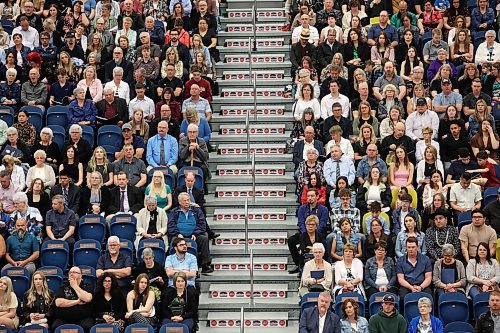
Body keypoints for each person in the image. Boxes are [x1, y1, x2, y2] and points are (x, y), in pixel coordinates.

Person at [168, 192, 212, 273]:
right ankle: (173, 266)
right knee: (173, 241)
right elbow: (171, 225)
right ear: (180, 202)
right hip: (179, 236)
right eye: (184, 201)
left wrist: (195, 233)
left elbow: (202, 224)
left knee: (204, 238)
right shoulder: (174, 212)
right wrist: (178, 234)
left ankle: (205, 265)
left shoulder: (197, 210)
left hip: (194, 235)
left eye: (188, 200)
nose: (187, 202)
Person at [52, 266, 94, 332]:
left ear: (81, 276)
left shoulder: (87, 286)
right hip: (64, 318)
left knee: (87, 327)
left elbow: (87, 298)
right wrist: (77, 301)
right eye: (70, 272)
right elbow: (58, 302)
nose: (71, 274)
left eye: (74, 272)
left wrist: (75, 286)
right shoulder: (63, 287)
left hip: (83, 318)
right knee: (55, 327)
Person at [396, 236, 433, 301]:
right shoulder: (400, 260)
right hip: (407, 286)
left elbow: (428, 277)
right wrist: (411, 287)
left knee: (428, 296)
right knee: (402, 297)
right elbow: (400, 279)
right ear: (406, 248)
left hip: (422, 285)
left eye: (413, 247)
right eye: (409, 247)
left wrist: (421, 287)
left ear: (417, 247)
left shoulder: (426, 259)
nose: (411, 249)